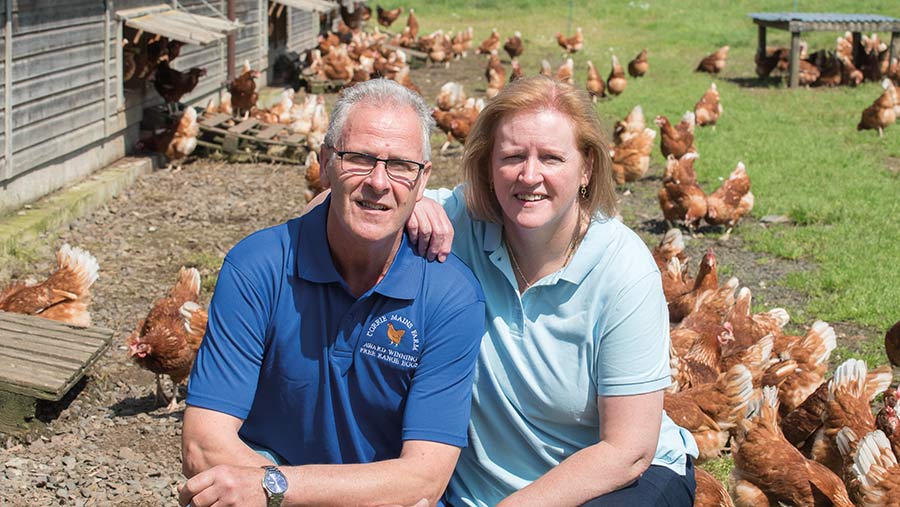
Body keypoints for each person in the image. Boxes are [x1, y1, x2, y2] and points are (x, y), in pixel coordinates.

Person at [178, 78, 485, 507]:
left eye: (399, 165)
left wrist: (277, 489)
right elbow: (202, 443)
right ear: (325, 162)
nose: (379, 182)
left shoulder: (451, 297)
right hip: (270, 481)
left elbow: (423, 478)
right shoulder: (258, 267)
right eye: (359, 158)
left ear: (422, 179)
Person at [406, 75, 699, 506]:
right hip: (481, 492)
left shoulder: (623, 269)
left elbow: (628, 449)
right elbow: (335, 207)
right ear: (488, 166)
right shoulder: (461, 219)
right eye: (511, 156)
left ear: (587, 168)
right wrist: (409, 200)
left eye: (551, 157)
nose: (529, 175)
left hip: (610, 479)